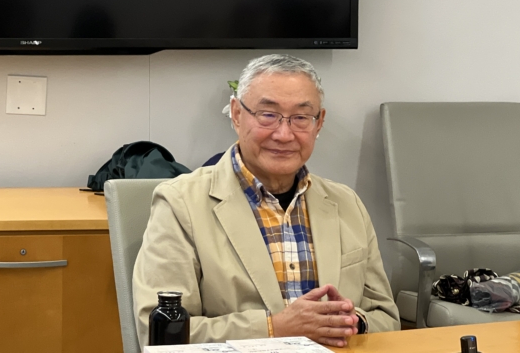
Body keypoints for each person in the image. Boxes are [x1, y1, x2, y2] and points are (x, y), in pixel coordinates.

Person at [133, 54, 400, 349]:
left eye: (301, 118)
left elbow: (386, 317)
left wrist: (352, 322)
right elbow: (160, 335)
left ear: (319, 123)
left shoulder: (347, 203)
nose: (284, 134)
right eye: (268, 115)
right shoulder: (180, 204)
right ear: (237, 114)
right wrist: (273, 328)